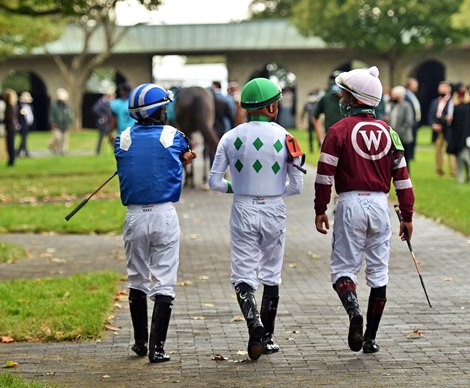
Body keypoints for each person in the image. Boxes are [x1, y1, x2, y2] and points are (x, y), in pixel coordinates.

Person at [314, 66, 415, 354]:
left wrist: (320, 208)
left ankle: (353, 312)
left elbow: (324, 175)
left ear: (355, 98)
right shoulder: (390, 132)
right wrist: (407, 215)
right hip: (380, 206)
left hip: (349, 204)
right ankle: (370, 338)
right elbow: (403, 178)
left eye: (344, 94)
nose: (341, 98)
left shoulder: (337, 131)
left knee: (343, 270)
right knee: (379, 273)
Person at [208, 78, 304, 360]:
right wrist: (273, 192)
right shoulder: (287, 137)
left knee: (242, 274)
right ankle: (268, 337)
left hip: (242, 209)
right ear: (272, 107)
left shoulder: (229, 137)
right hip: (274, 209)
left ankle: (254, 324)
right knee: (271, 273)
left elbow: (215, 182)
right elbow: (297, 186)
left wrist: (239, 188)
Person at [115, 83, 196, 364]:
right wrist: (183, 161)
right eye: (164, 106)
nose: (166, 110)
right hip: (163, 215)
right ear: (158, 110)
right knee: (164, 280)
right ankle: (157, 348)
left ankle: (139, 342)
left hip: (134, 216)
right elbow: (183, 153)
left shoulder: (122, 137)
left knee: (136, 277)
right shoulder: (175, 136)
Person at [427, 81, 456, 177]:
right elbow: (431, 114)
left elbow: (452, 116)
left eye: (443, 88)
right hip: (437, 129)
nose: (441, 90)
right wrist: (433, 124)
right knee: (438, 151)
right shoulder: (435, 101)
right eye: (440, 88)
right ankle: (440, 172)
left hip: (448, 129)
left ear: (449, 89)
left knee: (451, 151)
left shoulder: (452, 102)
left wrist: (442, 123)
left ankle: (453, 172)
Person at [448, 83, 470, 184]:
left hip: (466, 135)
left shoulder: (468, 106)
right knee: (460, 158)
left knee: (465, 158)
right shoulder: (454, 105)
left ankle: (466, 176)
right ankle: (460, 178)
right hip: (457, 136)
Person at [313, 70, 343, 143]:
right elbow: (315, 118)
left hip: (347, 138)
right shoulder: (326, 98)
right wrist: (321, 138)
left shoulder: (351, 99)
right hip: (331, 138)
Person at [389, 85, 414, 172]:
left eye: (394, 95)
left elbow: (409, 121)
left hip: (404, 137)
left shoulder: (407, 106)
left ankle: (407, 175)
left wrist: (399, 133)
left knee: (405, 158)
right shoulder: (393, 105)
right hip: (394, 137)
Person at [48, 88, 74, 155]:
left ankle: (63, 150)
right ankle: (52, 145)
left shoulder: (67, 106)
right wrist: (52, 122)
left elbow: (70, 115)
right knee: (58, 138)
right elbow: (51, 115)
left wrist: (70, 122)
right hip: (57, 124)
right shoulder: (53, 105)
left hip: (65, 124)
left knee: (65, 138)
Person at [92, 89, 114, 155]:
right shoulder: (101, 102)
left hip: (106, 123)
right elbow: (95, 109)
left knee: (103, 137)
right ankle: (115, 149)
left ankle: (98, 151)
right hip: (103, 123)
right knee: (108, 136)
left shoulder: (107, 102)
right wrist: (102, 116)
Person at [405, 78, 422, 160]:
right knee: (410, 140)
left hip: (415, 121)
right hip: (411, 121)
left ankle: (412, 155)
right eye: (415, 85)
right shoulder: (406, 95)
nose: (417, 86)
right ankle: (410, 155)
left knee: (414, 139)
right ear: (409, 85)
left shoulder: (412, 95)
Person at [16, 91, 35, 158]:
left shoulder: (29, 107)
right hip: (22, 125)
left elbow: (30, 115)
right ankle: (26, 152)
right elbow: (17, 116)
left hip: (27, 125)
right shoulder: (18, 107)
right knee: (24, 138)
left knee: (24, 139)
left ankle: (18, 152)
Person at [3, 89, 18, 167]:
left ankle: (11, 160)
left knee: (10, 144)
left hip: (10, 127)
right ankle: (11, 160)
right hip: (11, 127)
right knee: (10, 144)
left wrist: (2, 121)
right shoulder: (12, 106)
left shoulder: (9, 106)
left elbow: (9, 118)